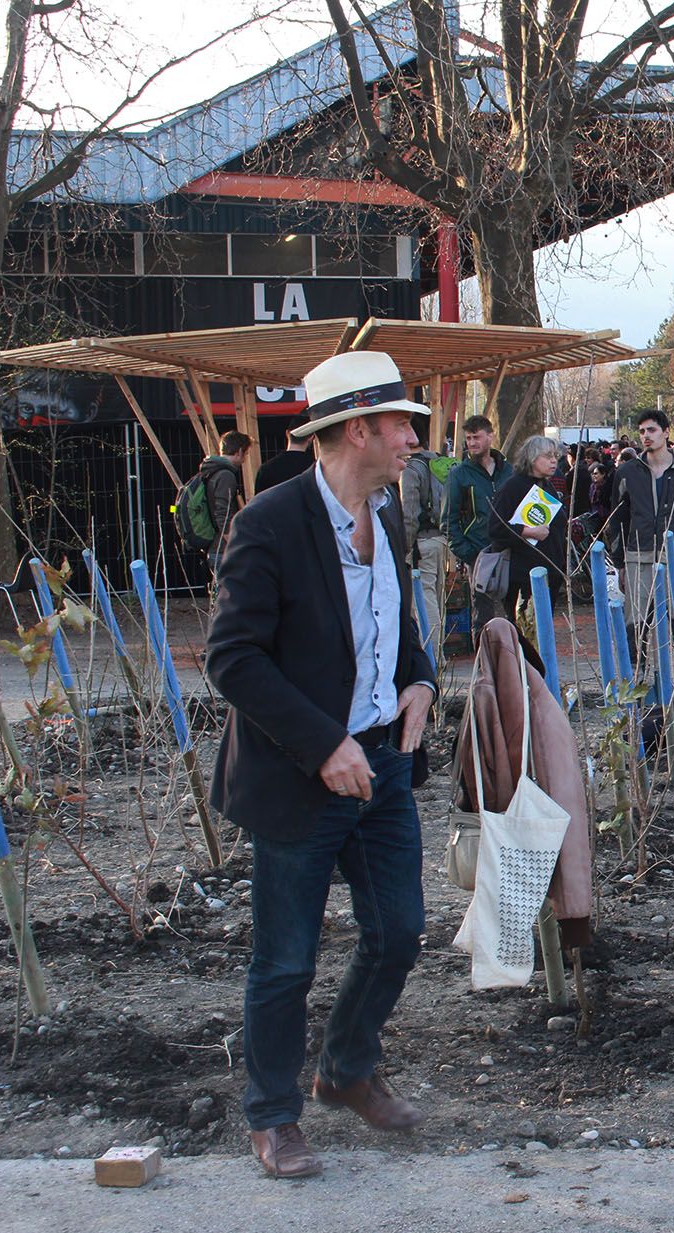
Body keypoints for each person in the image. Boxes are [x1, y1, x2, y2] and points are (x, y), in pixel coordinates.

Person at [205, 349, 437, 1179]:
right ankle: (272, 1117)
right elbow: (231, 659)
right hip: (301, 777)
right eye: (404, 423)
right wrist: (323, 742)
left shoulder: (390, 515)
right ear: (359, 428)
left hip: (385, 769)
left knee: (400, 931)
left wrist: (419, 680)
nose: (416, 438)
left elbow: (393, 623)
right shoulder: (266, 524)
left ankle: (345, 1070)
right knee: (286, 961)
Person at [603, 409, 674, 649]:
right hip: (639, 557)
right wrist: (619, 563)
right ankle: (637, 684)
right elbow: (617, 520)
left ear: (666, 432)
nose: (646, 436)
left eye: (652, 430)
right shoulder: (627, 473)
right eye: (642, 431)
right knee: (635, 629)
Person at [488, 434, 569, 625]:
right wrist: (528, 532)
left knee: (543, 632)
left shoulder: (547, 485)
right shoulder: (512, 487)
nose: (553, 461)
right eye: (548, 456)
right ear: (532, 458)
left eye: (555, 456)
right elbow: (495, 528)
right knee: (526, 632)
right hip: (523, 575)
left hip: (551, 570)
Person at [442, 414, 513, 631]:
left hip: (510, 552)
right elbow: (448, 521)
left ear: (490, 437)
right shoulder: (459, 475)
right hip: (480, 554)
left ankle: (515, 662)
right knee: (483, 619)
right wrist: (470, 553)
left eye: (476, 437)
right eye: (469, 438)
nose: (472, 443)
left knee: (514, 616)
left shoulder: (509, 471)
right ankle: (484, 663)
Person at [400, 441, 453, 659]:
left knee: (424, 600)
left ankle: (432, 657)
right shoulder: (440, 463)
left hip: (421, 543)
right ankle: (438, 653)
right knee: (438, 600)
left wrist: (403, 547)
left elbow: (409, 514)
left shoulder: (411, 469)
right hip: (441, 540)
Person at [192, 432, 252, 569]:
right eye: (246, 454)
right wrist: (235, 543)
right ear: (239, 451)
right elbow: (223, 513)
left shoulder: (211, 471)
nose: (245, 459)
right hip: (223, 550)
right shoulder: (225, 475)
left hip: (215, 547)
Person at [254, 427, 314, 494]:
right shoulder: (316, 468)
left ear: (287, 433)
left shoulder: (265, 469)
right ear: (311, 437)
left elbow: (259, 501)